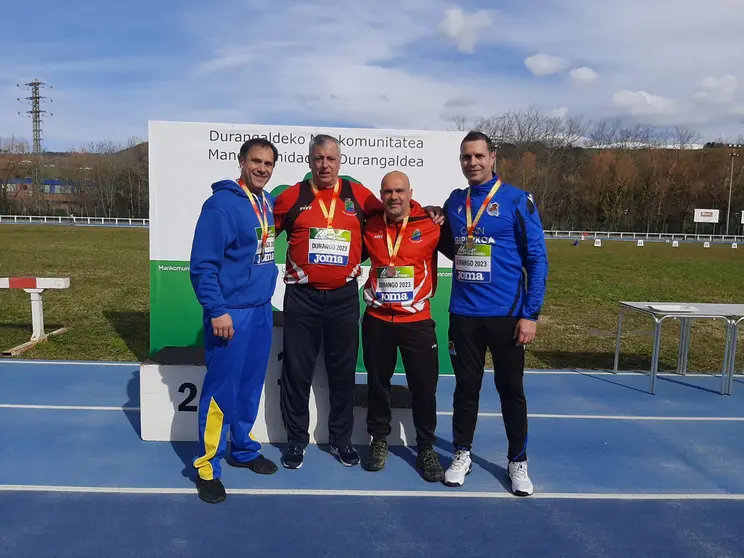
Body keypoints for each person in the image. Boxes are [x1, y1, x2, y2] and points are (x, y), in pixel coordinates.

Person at [273, 135, 443, 470]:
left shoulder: (360, 195)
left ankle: (340, 439)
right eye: (319, 158)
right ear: (309, 161)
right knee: (296, 372)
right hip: (302, 299)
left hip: (343, 299)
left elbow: (398, 212)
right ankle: (296, 440)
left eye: (331, 159)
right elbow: (264, 233)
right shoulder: (291, 196)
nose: (325, 165)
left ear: (340, 162)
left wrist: (430, 211)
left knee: (342, 372)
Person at [438, 131, 548, 496]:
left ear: (493, 157)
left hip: (507, 315)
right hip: (464, 315)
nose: (473, 163)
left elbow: (537, 259)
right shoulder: (455, 202)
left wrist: (530, 314)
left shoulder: (518, 200)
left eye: (479, 156)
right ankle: (462, 454)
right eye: (466, 157)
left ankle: (518, 462)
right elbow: (447, 244)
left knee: (510, 390)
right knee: (465, 389)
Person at [189, 138, 280, 504]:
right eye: (255, 161)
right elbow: (203, 266)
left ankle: (243, 449)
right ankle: (207, 465)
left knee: (249, 386)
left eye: (268, 163)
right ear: (241, 162)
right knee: (220, 391)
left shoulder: (266, 201)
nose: (262, 168)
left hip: (260, 310)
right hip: (231, 313)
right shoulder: (220, 206)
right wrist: (217, 310)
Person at [359, 170, 444, 482]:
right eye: (387, 192)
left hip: (417, 322)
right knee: (377, 384)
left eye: (399, 191)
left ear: (410, 193)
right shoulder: (370, 225)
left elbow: (465, 248)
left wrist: (438, 212)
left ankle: (426, 447)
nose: (393, 197)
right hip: (378, 321)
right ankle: (379, 439)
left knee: (424, 388)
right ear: (381, 196)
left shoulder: (430, 225)